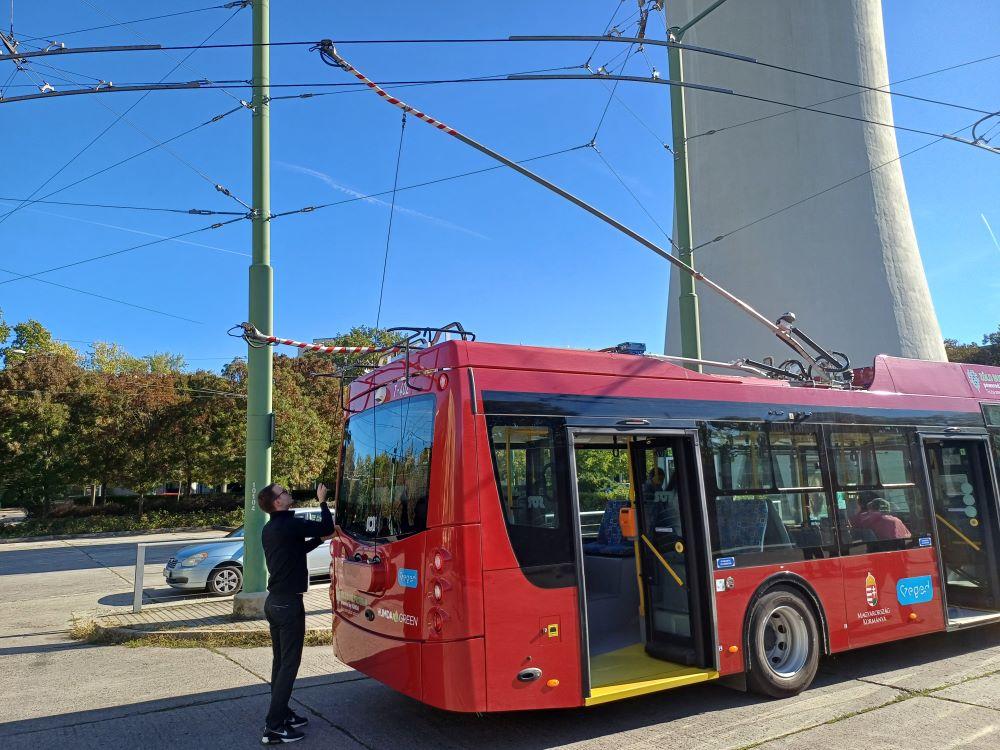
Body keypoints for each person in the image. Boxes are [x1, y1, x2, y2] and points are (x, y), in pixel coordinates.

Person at [257, 482, 334, 745]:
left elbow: (295, 551)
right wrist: (322, 501)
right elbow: (327, 525)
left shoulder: (271, 528)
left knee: (280, 664)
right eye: (284, 492)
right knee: (289, 665)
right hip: (288, 605)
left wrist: (318, 541)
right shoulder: (289, 524)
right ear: (277, 502)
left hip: (274, 603)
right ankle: (274, 727)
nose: (288, 493)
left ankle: (283, 712)